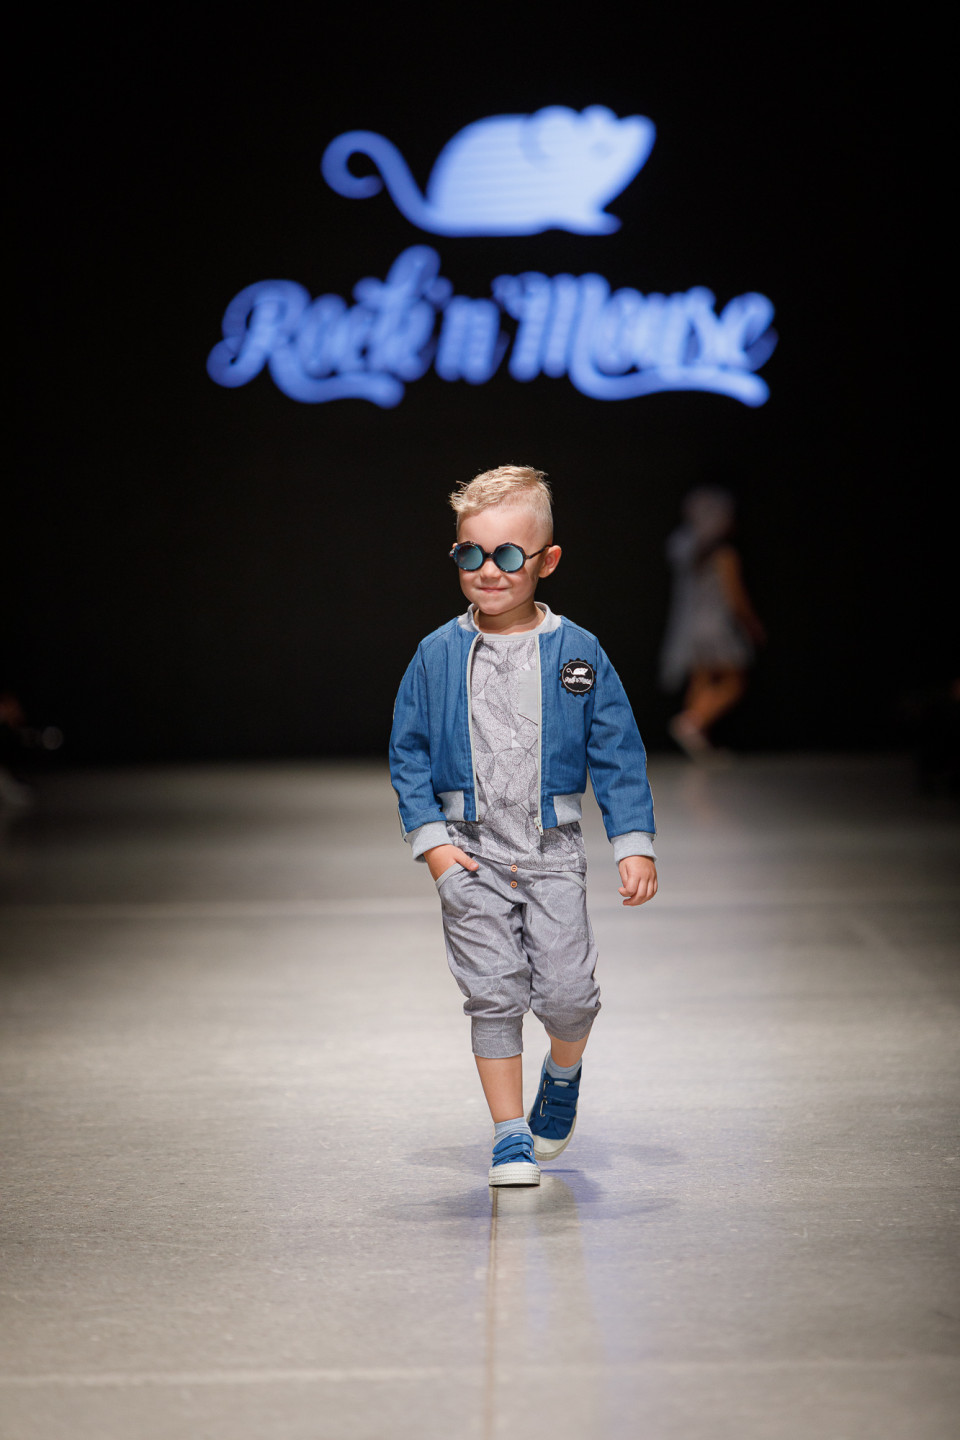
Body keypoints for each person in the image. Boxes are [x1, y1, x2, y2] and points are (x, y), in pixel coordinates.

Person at [389, 466, 658, 1188]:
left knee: (570, 998)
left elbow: (618, 750)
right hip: (470, 854)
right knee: (493, 993)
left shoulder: (579, 653)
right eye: (470, 553)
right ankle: (510, 1135)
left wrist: (632, 843)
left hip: (551, 854)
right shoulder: (436, 654)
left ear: (547, 560)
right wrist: (433, 845)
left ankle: (562, 1074)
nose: (489, 570)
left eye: (509, 554)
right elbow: (408, 751)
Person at [659, 486, 766, 759]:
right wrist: (751, 623)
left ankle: (697, 739)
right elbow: (735, 595)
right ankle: (691, 723)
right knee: (735, 680)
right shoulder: (723, 554)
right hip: (717, 625)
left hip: (691, 625)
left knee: (702, 677)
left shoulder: (692, 554)